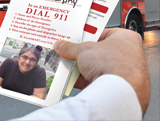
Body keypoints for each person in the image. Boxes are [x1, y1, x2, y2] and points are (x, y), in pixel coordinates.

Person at [10, 28, 150, 120]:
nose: (27, 62)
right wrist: (129, 75)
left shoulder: (38, 71)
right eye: (25, 58)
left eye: (32, 59)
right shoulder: (11, 65)